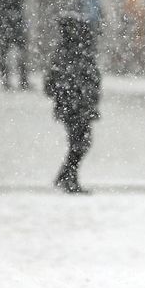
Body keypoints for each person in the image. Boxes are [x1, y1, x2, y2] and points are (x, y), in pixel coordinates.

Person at [44, 16, 101, 194]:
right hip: (76, 105)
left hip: (75, 105)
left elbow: (50, 84)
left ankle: (66, 175)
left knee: (79, 143)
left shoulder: (68, 52)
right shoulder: (77, 53)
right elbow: (53, 84)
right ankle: (68, 177)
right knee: (80, 143)